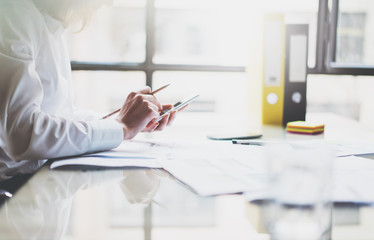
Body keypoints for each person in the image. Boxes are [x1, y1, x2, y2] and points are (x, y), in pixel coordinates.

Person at [0, 0, 178, 182]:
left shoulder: (51, 25)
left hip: (41, 183)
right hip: (13, 192)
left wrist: (128, 122)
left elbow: (61, 115)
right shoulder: (13, 15)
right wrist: (122, 128)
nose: (109, 3)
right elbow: (24, 134)